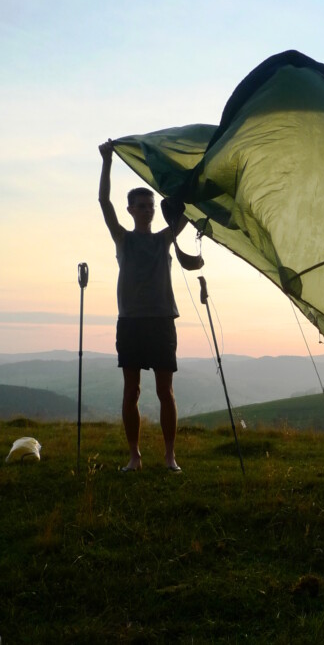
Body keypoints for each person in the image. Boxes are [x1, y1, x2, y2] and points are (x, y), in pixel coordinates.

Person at [98, 139, 186, 472]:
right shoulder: (123, 238)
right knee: (131, 390)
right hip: (131, 322)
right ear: (131, 210)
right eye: (141, 205)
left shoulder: (165, 238)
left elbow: (185, 212)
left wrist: (180, 180)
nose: (147, 210)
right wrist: (107, 160)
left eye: (151, 205)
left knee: (166, 391)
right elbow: (103, 200)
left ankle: (169, 457)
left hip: (162, 320)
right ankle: (134, 456)